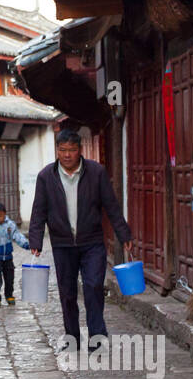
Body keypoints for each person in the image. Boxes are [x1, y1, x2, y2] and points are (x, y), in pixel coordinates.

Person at [27, 129, 133, 353]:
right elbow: (39, 211)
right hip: (62, 244)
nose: (67, 155)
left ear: (80, 150)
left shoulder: (96, 172)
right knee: (67, 292)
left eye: (72, 150)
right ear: (57, 150)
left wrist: (123, 234)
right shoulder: (46, 176)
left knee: (94, 286)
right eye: (63, 150)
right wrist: (35, 241)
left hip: (92, 241)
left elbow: (111, 206)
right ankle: (72, 336)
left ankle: (97, 336)